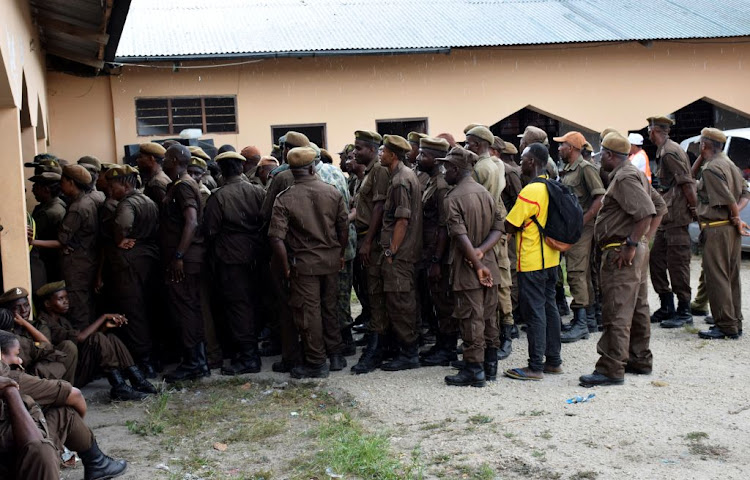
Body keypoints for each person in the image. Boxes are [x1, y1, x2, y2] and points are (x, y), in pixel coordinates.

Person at [579, 132, 666, 387]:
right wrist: (642, 243)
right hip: (632, 251)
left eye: (601, 155)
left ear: (609, 155)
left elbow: (648, 211)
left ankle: (610, 368)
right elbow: (659, 206)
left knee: (617, 309)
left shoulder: (625, 177)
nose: (599, 160)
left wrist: (631, 243)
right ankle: (639, 358)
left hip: (621, 252)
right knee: (637, 308)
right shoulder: (632, 174)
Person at [0, 333, 129, 479]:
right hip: (20, 461)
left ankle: (97, 463)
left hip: (16, 452)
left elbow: (46, 346)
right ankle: (97, 463)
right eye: (16, 355)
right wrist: (12, 392)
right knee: (65, 415)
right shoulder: (12, 381)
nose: (20, 360)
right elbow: (75, 395)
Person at [269, 147, 349, 378]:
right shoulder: (332, 192)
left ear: (291, 171)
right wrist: (340, 253)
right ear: (313, 167)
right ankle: (335, 355)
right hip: (331, 261)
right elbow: (343, 227)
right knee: (329, 307)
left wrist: (284, 266)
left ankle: (316, 362)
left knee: (308, 312)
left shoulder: (285, 198)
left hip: (304, 264)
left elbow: (276, 237)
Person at [439, 147, 504, 387]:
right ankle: (490, 366)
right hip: (489, 265)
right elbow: (499, 227)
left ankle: (474, 370)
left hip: (470, 269)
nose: (444, 172)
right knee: (488, 317)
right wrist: (483, 251)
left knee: (471, 318)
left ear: (456, 169)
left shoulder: (453, 197)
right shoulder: (485, 193)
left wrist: (476, 262)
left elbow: (459, 234)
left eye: (447, 168)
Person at [35, 281, 156, 400]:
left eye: (66, 298)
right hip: (69, 375)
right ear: (47, 304)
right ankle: (119, 386)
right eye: (60, 299)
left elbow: (87, 340)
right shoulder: (45, 323)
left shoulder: (62, 320)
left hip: (79, 368)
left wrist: (105, 327)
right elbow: (82, 338)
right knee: (96, 337)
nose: (66, 301)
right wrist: (104, 317)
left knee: (110, 338)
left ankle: (137, 378)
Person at [503, 143, 562, 381]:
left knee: (535, 312)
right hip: (551, 258)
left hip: (532, 261)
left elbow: (510, 224)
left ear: (532, 162)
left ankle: (535, 366)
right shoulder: (551, 185)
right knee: (550, 307)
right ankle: (554, 361)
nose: (520, 163)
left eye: (523, 159)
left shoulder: (530, 191)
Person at [204, 151, 266, 374]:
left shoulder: (218, 196)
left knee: (238, 306)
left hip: (231, 257)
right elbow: (266, 220)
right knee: (254, 302)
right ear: (241, 168)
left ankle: (249, 357)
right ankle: (250, 351)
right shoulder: (258, 191)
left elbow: (210, 230)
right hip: (256, 253)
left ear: (222, 170)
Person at [371, 135, 424, 371]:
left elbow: (402, 220)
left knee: (401, 302)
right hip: (404, 253)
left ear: (393, 155)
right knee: (402, 300)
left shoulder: (401, 180)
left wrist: (392, 251)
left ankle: (409, 353)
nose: (380, 155)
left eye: (383, 151)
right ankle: (405, 349)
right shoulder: (403, 175)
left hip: (401, 255)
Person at [260, 132, 310, 373]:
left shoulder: (281, 177)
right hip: (309, 250)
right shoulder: (314, 174)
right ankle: (314, 352)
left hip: (284, 248)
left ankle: (291, 356)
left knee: (287, 305)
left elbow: (266, 213)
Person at [693, 128, 750, 339]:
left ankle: (725, 325)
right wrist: (736, 217)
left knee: (716, 277)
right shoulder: (729, 164)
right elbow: (745, 193)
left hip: (717, 228)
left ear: (704, 145)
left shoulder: (712, 168)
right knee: (731, 276)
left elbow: (728, 199)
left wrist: (735, 216)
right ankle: (735, 321)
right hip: (728, 228)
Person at [105, 164, 161, 376]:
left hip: (131, 261)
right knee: (149, 309)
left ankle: (143, 360)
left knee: (134, 311)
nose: (110, 190)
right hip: (149, 257)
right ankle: (153, 357)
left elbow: (123, 224)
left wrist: (119, 239)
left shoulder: (126, 204)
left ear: (126, 184)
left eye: (113, 185)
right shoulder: (148, 201)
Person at [160, 144, 209, 383]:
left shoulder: (183, 187)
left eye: (167, 157)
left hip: (185, 260)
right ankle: (195, 360)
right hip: (185, 258)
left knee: (186, 309)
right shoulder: (182, 184)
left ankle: (194, 363)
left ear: (177, 159)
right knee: (187, 308)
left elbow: (191, 223)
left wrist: (179, 256)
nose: (163, 160)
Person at [465, 126, 514, 359]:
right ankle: (500, 334)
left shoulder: (480, 168)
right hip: (497, 223)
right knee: (500, 280)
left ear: (476, 144)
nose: (466, 147)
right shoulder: (497, 163)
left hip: (485, 226)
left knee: (494, 282)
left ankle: (500, 336)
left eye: (468, 143)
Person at [29, 165, 99, 329]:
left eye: (63, 181)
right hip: (87, 262)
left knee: (78, 310)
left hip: (77, 266)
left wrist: (32, 242)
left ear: (72, 183)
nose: (60, 186)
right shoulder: (89, 200)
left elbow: (61, 242)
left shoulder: (77, 207)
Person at [647, 115, 697, 329]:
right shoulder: (664, 150)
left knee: (678, 265)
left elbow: (686, 183)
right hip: (666, 218)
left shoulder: (670, 152)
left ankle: (684, 309)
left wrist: (694, 209)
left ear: (654, 131)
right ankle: (667, 305)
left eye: (649, 130)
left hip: (676, 217)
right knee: (656, 261)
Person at [555, 131, 605, 342]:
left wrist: (582, 221)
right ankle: (587, 319)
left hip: (583, 228)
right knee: (581, 273)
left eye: (562, 145)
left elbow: (599, 197)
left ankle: (582, 322)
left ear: (573, 148)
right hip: (571, 227)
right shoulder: (567, 170)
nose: (559, 148)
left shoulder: (586, 168)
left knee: (575, 271)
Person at [350, 130, 389, 374]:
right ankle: (378, 341)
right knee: (370, 292)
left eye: (359, 148)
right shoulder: (371, 172)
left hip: (372, 242)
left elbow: (379, 208)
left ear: (372, 150)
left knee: (376, 294)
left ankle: (377, 349)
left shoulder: (379, 171)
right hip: (365, 237)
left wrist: (367, 242)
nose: (355, 152)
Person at [416, 137, 457, 366]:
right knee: (435, 300)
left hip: (437, 253)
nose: (420, 158)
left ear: (436, 159)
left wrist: (436, 260)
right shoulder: (432, 181)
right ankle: (441, 343)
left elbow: (443, 225)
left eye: (424, 155)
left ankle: (448, 348)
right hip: (428, 250)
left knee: (443, 301)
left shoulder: (441, 186)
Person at [0, 287, 77, 383]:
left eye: (26, 305)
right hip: (22, 373)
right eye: (17, 308)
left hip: (41, 368)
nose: (24, 310)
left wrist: (25, 324)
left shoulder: (38, 325)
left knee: (68, 347)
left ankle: (67, 391)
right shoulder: (6, 330)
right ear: (8, 311)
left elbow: (48, 347)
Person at [29, 172, 66, 283]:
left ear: (46, 190)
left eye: (36, 187)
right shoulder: (59, 204)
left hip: (48, 263)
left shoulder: (48, 213)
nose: (32, 191)